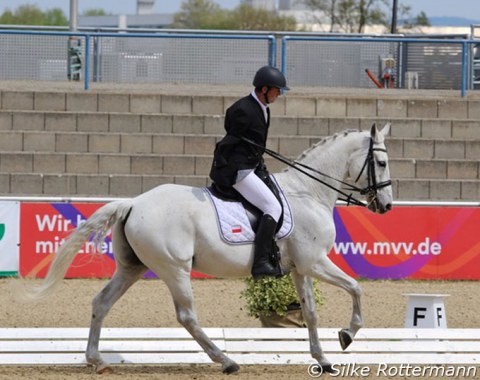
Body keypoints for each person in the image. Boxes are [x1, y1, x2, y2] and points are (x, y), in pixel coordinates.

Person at [209, 65, 289, 279]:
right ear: (264, 89)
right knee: (272, 207)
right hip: (238, 170)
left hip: (252, 165)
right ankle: (261, 261)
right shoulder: (243, 109)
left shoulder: (263, 107)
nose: (279, 94)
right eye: (276, 90)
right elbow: (233, 139)